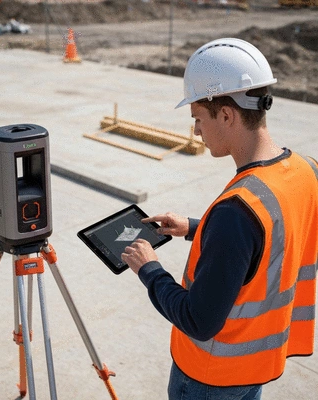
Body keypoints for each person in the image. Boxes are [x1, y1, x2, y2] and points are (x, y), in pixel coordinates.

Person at [121, 38, 318, 400]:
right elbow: (269, 242)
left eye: (197, 118)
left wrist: (149, 270)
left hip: (209, 378)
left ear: (226, 115)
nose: (196, 131)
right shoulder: (308, 171)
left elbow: (199, 320)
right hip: (253, 370)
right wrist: (197, 228)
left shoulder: (236, 211)